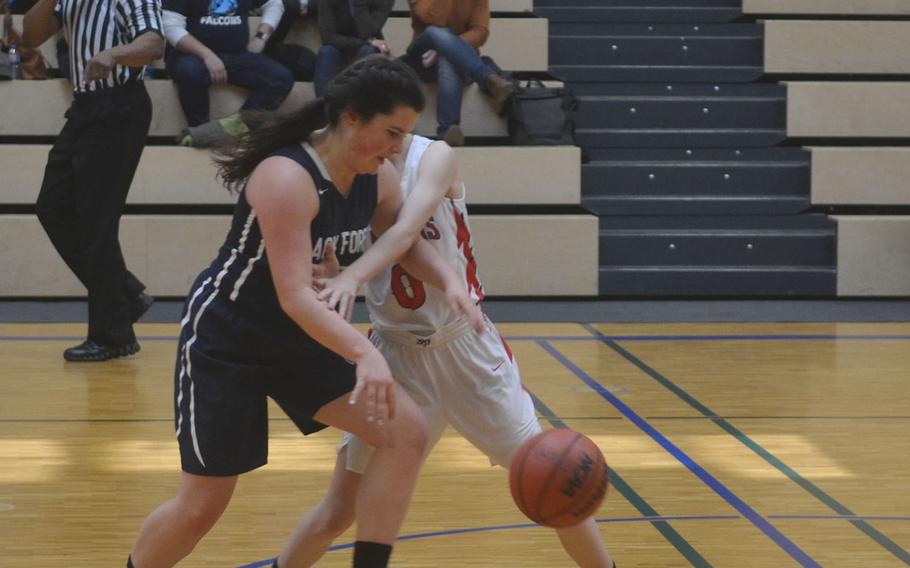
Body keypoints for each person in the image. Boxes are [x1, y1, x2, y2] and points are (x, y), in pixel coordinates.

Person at [126, 56, 483, 568]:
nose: (399, 148)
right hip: (230, 338)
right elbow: (294, 296)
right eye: (392, 132)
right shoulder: (286, 178)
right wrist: (366, 354)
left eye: (405, 136)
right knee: (204, 502)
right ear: (352, 117)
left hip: (301, 336)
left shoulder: (377, 178)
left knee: (406, 432)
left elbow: (401, 245)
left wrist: (450, 280)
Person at [272, 133, 617, 567]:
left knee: (556, 483)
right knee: (339, 510)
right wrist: (333, 273)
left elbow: (403, 232)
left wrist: (351, 278)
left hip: (466, 349)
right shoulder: (353, 171)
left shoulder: (435, 156)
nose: (391, 137)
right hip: (395, 358)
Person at [21, 0, 163, 361]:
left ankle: (113, 337)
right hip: (86, 107)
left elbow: (153, 43)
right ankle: (125, 295)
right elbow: (31, 37)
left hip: (120, 106)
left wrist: (114, 54)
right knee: (52, 207)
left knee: (96, 224)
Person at [162, 0, 294, 137]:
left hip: (236, 55)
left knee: (281, 78)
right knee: (190, 71)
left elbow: (274, 4)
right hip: (191, 55)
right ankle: (201, 132)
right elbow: (171, 26)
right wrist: (207, 56)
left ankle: (233, 130)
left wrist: (261, 37)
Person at [403, 0, 513, 146]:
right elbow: (428, 15)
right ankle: (486, 78)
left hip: (458, 60)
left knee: (447, 58)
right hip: (421, 55)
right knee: (434, 32)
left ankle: (448, 131)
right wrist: (445, 43)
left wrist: (447, 47)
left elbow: (480, 31)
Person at [313, 0, 393, 96]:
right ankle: (323, 105)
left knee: (367, 51)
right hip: (339, 47)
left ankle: (360, 106)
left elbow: (367, 32)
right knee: (326, 52)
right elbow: (328, 38)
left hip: (368, 49)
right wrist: (367, 42)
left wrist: (358, 4)